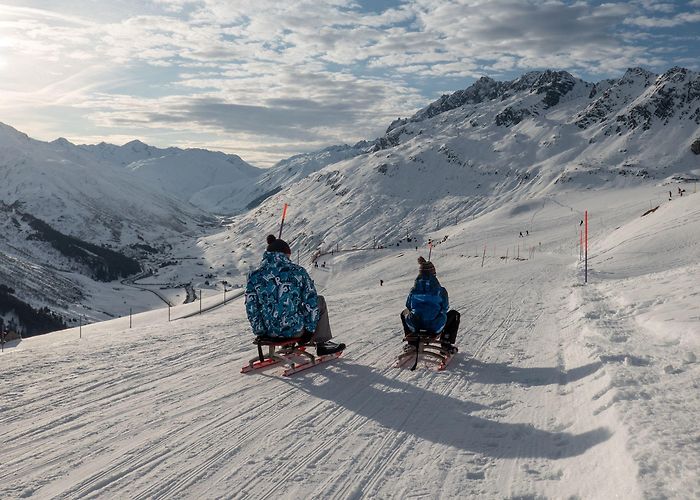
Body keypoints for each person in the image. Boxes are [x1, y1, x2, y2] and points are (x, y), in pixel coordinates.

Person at [245, 235, 345, 355]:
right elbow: (311, 301)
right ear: (286, 254)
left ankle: (286, 341)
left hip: (268, 333)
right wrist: (309, 331)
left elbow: (251, 307)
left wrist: (260, 331)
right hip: (294, 331)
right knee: (319, 301)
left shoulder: (254, 276)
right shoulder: (298, 272)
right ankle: (322, 344)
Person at [400, 256, 460, 350]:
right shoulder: (441, 290)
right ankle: (446, 343)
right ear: (433, 273)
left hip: (416, 325)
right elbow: (445, 307)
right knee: (454, 315)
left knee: (404, 313)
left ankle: (412, 342)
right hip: (434, 327)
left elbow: (408, 305)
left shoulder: (413, 290)